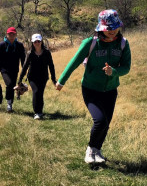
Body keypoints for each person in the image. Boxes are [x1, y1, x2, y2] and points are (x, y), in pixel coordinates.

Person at [56, 9, 131, 164]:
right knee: (100, 121)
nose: (112, 31)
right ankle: (90, 150)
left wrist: (114, 71)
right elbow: (74, 62)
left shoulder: (123, 44)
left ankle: (97, 150)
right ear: (101, 28)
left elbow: (126, 67)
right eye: (108, 28)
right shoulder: (91, 43)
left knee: (106, 124)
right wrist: (62, 81)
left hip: (110, 90)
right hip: (91, 88)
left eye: (115, 27)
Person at [18, 33, 57, 120]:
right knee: (36, 91)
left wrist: (53, 79)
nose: (37, 43)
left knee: (40, 93)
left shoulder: (47, 53)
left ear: (41, 41)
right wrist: (20, 79)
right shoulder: (30, 53)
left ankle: (40, 111)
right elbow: (25, 67)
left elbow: (51, 66)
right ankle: (37, 112)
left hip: (43, 77)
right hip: (32, 77)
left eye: (38, 41)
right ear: (32, 43)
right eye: (35, 41)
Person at [0, 27, 26, 112]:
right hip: (4, 70)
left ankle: (10, 103)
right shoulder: (2, 45)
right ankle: (9, 103)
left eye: (13, 34)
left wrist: (24, 69)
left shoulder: (19, 45)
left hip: (15, 69)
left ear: (16, 34)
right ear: (6, 34)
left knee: (12, 86)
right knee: (9, 84)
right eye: (9, 34)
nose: (11, 35)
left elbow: (23, 59)